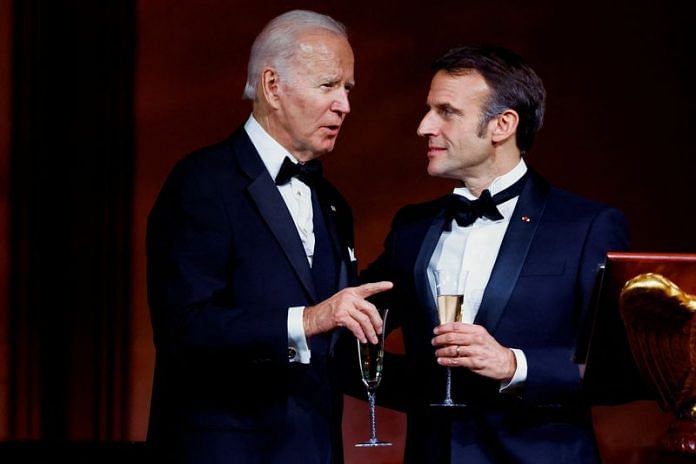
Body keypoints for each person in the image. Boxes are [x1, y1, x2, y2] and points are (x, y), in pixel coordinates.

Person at [146, 10, 391, 464]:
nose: (344, 105)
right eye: (328, 86)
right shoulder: (202, 182)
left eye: (347, 89)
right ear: (272, 86)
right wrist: (306, 321)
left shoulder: (334, 203)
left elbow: (335, 351)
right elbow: (184, 328)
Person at [362, 46, 629, 463]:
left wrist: (514, 365)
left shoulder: (587, 226)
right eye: (428, 109)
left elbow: (620, 369)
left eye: (446, 111)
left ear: (503, 124)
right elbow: (352, 329)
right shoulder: (411, 228)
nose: (423, 126)